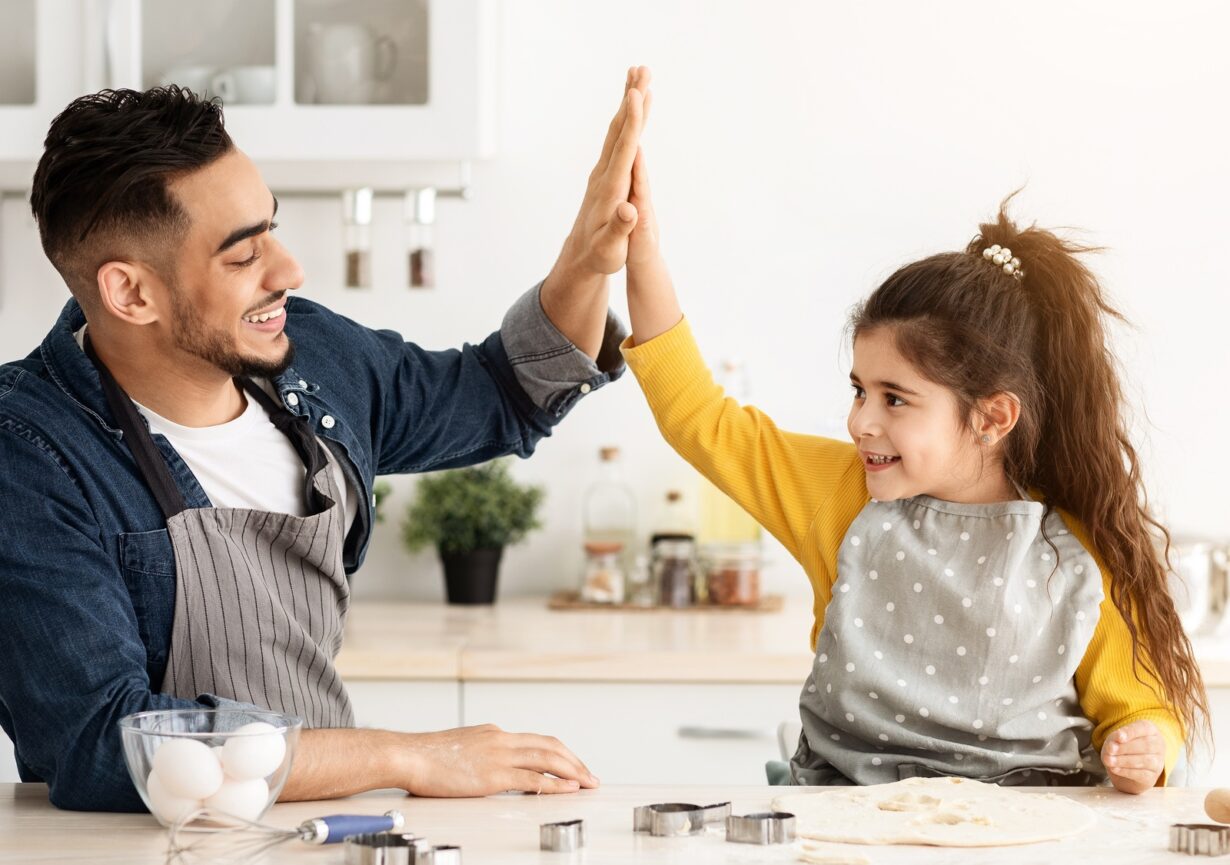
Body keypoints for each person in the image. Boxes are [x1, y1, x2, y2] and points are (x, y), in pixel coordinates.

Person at [0, 67, 652, 811]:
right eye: (243, 256)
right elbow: (103, 743)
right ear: (131, 293)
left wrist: (587, 259)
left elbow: (498, 392)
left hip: (321, 828)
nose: (289, 271)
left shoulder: (311, 360)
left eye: (270, 228)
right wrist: (408, 755)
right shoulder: (30, 453)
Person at [618, 142, 1207, 793]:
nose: (860, 421)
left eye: (895, 398)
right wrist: (640, 252)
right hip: (850, 821)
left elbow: (1143, 707)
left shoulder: (1074, 546)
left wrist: (1144, 747)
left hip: (1033, 829)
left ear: (992, 417)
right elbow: (697, 416)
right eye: (859, 389)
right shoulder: (839, 494)